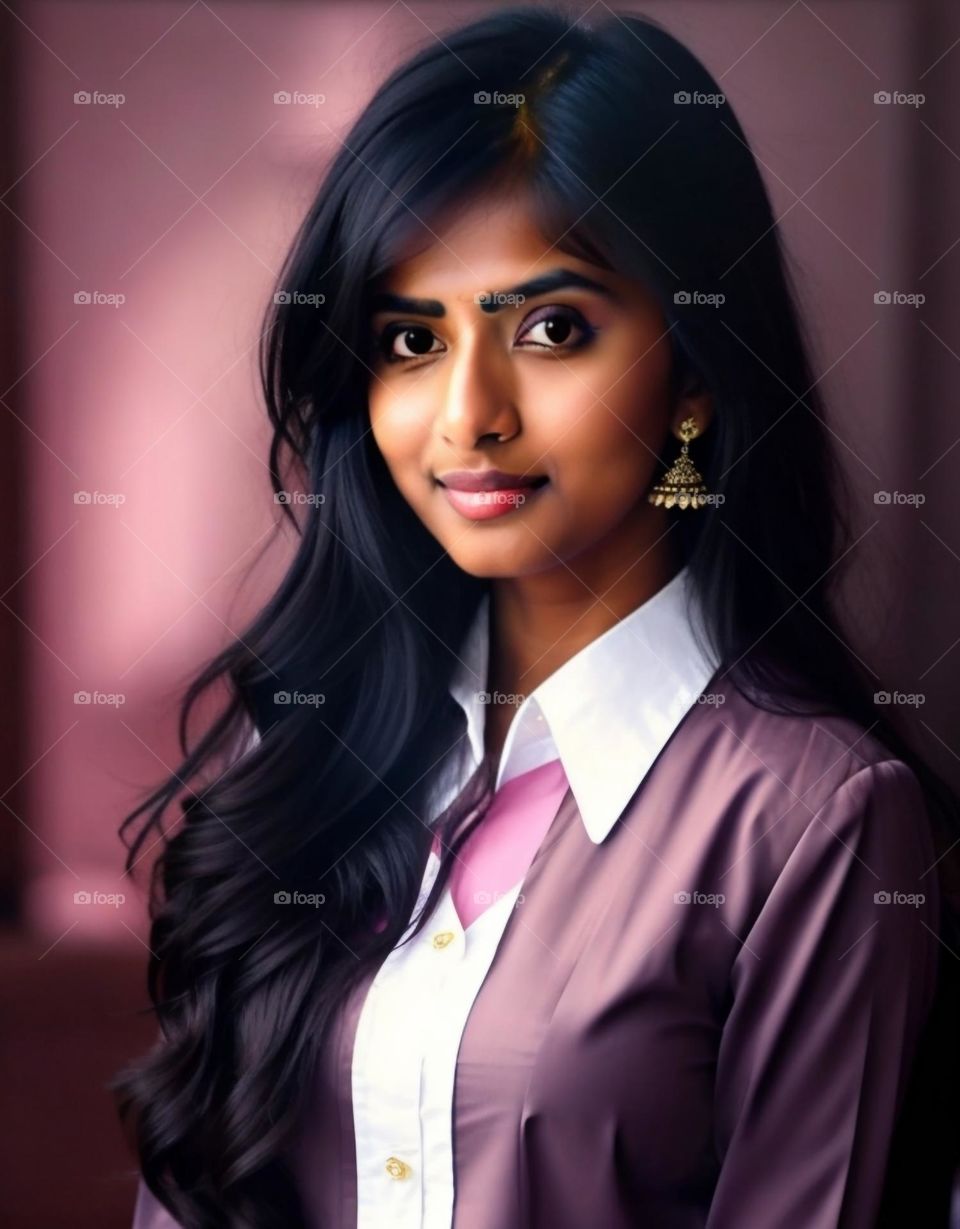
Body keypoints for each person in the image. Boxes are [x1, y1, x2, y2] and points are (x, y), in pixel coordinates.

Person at [114, 5, 960, 1226]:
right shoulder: (301, 754)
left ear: (691, 373)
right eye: (412, 338)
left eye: (552, 329)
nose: (469, 412)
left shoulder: (816, 824)